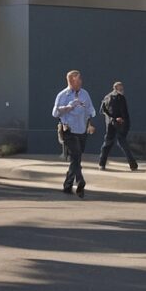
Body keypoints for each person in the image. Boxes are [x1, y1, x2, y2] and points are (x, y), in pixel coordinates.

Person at [52, 70, 96, 198]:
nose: (81, 81)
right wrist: (68, 107)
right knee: (75, 154)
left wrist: (91, 124)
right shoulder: (62, 95)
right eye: (78, 79)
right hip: (68, 131)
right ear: (71, 80)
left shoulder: (85, 94)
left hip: (81, 130)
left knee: (76, 159)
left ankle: (67, 185)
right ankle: (80, 181)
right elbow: (55, 113)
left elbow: (90, 110)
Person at [98, 80, 139, 171]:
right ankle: (133, 164)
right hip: (119, 124)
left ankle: (102, 163)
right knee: (122, 143)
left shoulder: (106, 97)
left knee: (107, 143)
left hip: (110, 124)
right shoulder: (120, 98)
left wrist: (111, 119)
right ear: (116, 88)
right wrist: (122, 120)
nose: (122, 90)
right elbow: (124, 111)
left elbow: (102, 111)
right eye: (121, 88)